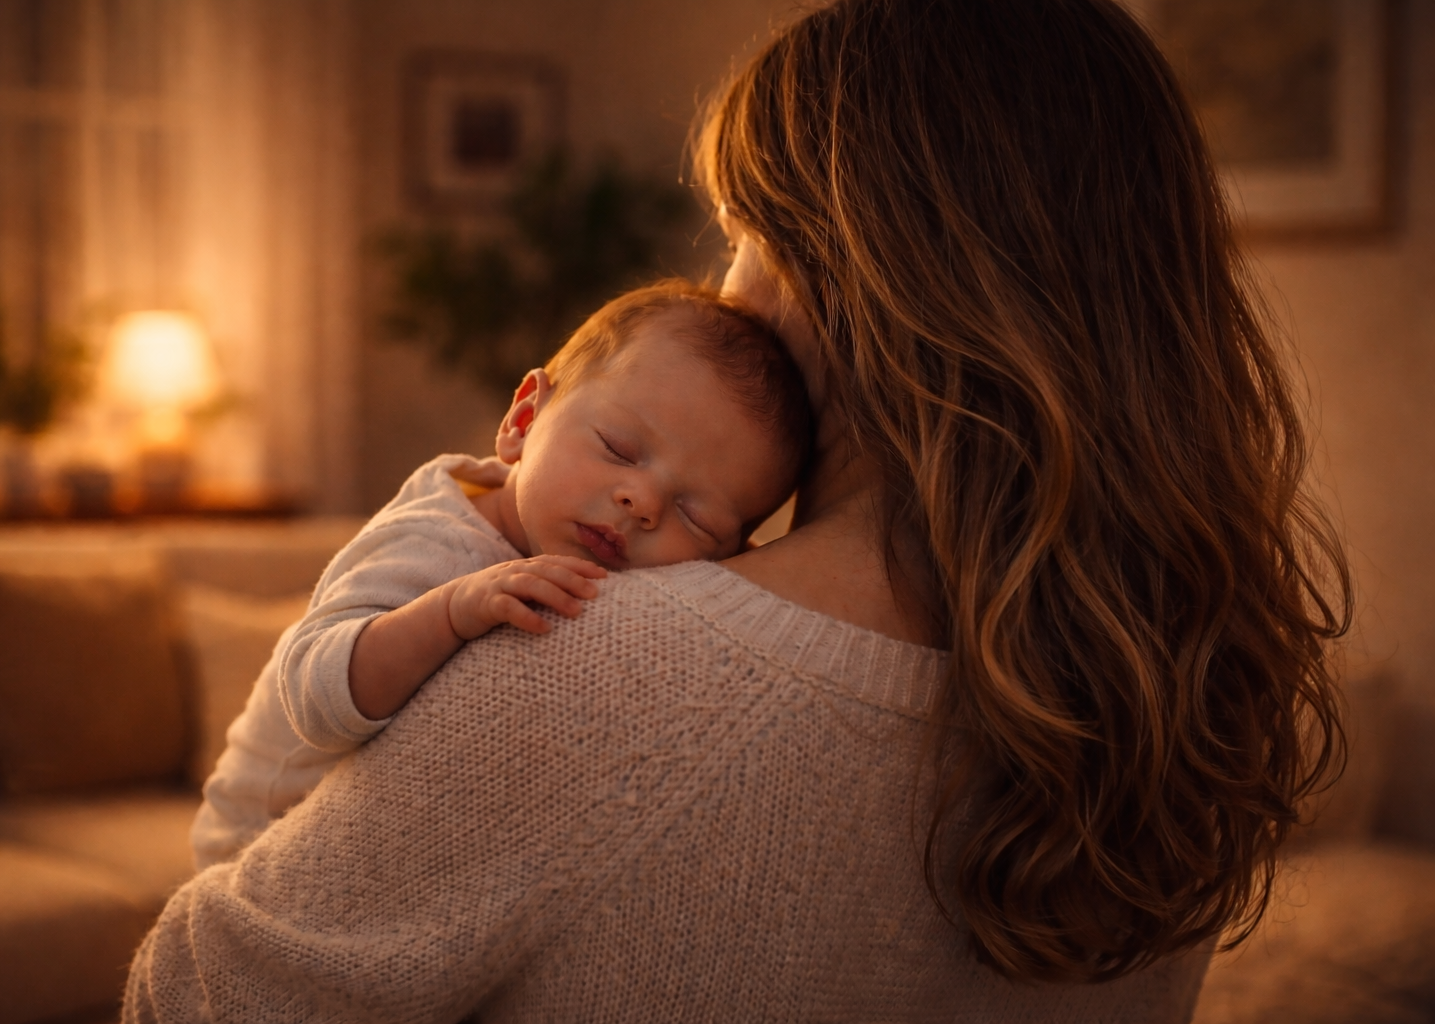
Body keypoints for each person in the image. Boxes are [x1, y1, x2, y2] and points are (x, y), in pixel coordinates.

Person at [126, 0, 1350, 1020]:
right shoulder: (1179, 700)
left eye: (740, 233)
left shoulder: (579, 663)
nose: (724, 289)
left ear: (846, 275)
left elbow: (189, 999)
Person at [190, 280, 812, 868]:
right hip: (256, 838)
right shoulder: (435, 540)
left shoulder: (645, 575)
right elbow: (314, 697)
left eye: (695, 516)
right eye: (619, 449)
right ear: (523, 422)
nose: (642, 502)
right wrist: (452, 609)